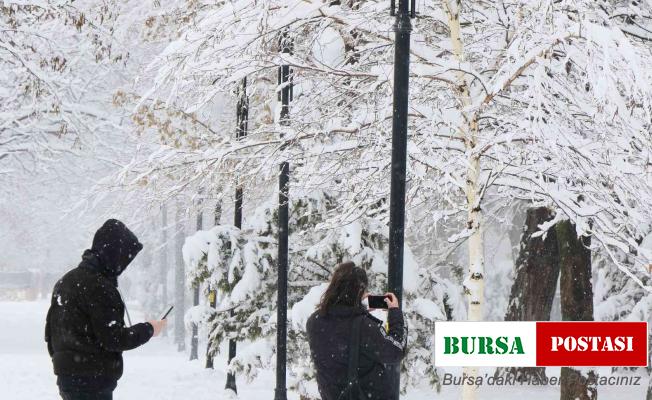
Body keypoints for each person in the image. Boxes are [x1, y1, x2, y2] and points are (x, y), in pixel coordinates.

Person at [45, 219, 167, 400]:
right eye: (125, 258)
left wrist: (66, 364)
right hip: (93, 382)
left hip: (67, 380)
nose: (124, 265)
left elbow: (51, 334)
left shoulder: (65, 281)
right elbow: (113, 338)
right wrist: (149, 328)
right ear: (114, 254)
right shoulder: (99, 287)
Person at [306, 262, 407, 400]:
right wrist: (395, 313)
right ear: (359, 291)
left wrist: (359, 310)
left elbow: (339, 341)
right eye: (364, 290)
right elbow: (395, 350)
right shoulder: (364, 327)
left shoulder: (314, 321)